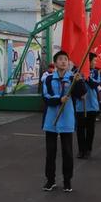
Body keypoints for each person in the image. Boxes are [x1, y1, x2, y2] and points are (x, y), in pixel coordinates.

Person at [42, 51, 85, 193]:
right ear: (55, 63)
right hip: (51, 121)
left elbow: (81, 94)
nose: (63, 62)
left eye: (66, 59)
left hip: (67, 119)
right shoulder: (48, 79)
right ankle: (50, 180)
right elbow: (46, 97)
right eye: (60, 59)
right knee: (50, 152)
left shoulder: (72, 78)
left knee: (67, 152)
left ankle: (67, 181)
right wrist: (58, 100)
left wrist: (79, 81)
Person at [74, 54, 101, 159]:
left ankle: (88, 149)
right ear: (88, 61)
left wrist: (86, 77)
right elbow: (73, 87)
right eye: (94, 60)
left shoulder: (95, 73)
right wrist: (79, 93)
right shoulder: (76, 72)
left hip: (92, 106)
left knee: (90, 129)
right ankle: (81, 150)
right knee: (80, 129)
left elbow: (96, 85)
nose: (95, 62)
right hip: (80, 106)